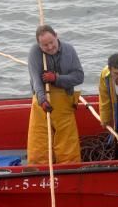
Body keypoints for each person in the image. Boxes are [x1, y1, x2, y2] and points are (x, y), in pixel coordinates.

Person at [27, 24, 84, 165]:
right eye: (45, 45)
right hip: (43, 102)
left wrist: (57, 79)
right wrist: (41, 100)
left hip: (64, 102)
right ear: (39, 44)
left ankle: (69, 169)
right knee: (39, 141)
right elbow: (36, 79)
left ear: (56, 36)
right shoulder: (35, 53)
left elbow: (79, 77)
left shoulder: (69, 50)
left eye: (51, 42)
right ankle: (40, 169)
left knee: (67, 144)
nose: (50, 47)